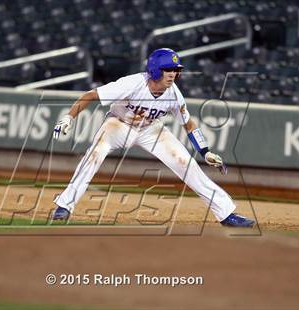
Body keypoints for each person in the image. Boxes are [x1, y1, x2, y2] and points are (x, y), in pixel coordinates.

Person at [52, 48, 255, 227]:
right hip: (119, 124)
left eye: (176, 70)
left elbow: (188, 123)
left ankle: (226, 213)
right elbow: (90, 95)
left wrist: (205, 151)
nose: (173, 74)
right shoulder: (132, 83)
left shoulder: (174, 94)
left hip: (151, 129)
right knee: (95, 153)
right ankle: (64, 205)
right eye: (169, 69)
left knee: (186, 163)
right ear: (156, 70)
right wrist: (69, 117)